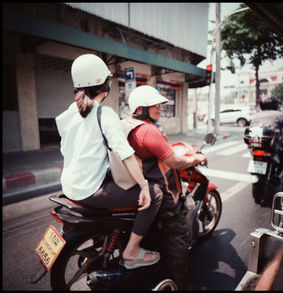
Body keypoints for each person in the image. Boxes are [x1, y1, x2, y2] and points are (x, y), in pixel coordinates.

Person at [55, 54, 163, 270]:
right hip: (89, 190)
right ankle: (132, 251)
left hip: (69, 188)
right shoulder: (104, 114)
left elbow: (68, 150)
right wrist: (143, 186)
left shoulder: (66, 115)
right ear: (105, 84)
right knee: (155, 193)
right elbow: (125, 154)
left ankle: (102, 242)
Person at [121, 85, 208, 289]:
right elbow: (176, 163)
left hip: (140, 185)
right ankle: (181, 283)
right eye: (154, 104)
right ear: (141, 108)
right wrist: (196, 157)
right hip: (165, 193)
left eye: (160, 103)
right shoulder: (149, 131)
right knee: (179, 236)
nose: (160, 107)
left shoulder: (127, 124)